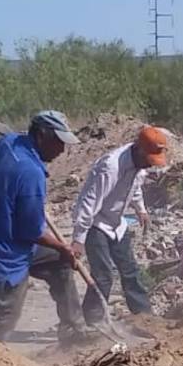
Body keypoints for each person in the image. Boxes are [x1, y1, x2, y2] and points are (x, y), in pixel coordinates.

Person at [0, 110, 87, 344]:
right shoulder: (30, 172)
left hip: (5, 239)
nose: (62, 150)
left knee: (59, 263)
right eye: (58, 142)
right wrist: (65, 247)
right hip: (2, 254)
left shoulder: (10, 143)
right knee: (3, 318)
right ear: (42, 135)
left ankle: (74, 328)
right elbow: (31, 232)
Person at [71, 126, 168, 325]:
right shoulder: (111, 167)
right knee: (103, 275)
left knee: (130, 270)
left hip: (117, 223)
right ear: (139, 149)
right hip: (96, 223)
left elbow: (136, 187)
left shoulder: (140, 166)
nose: (150, 165)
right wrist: (78, 239)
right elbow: (89, 203)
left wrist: (141, 209)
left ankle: (144, 317)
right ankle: (92, 322)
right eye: (149, 159)